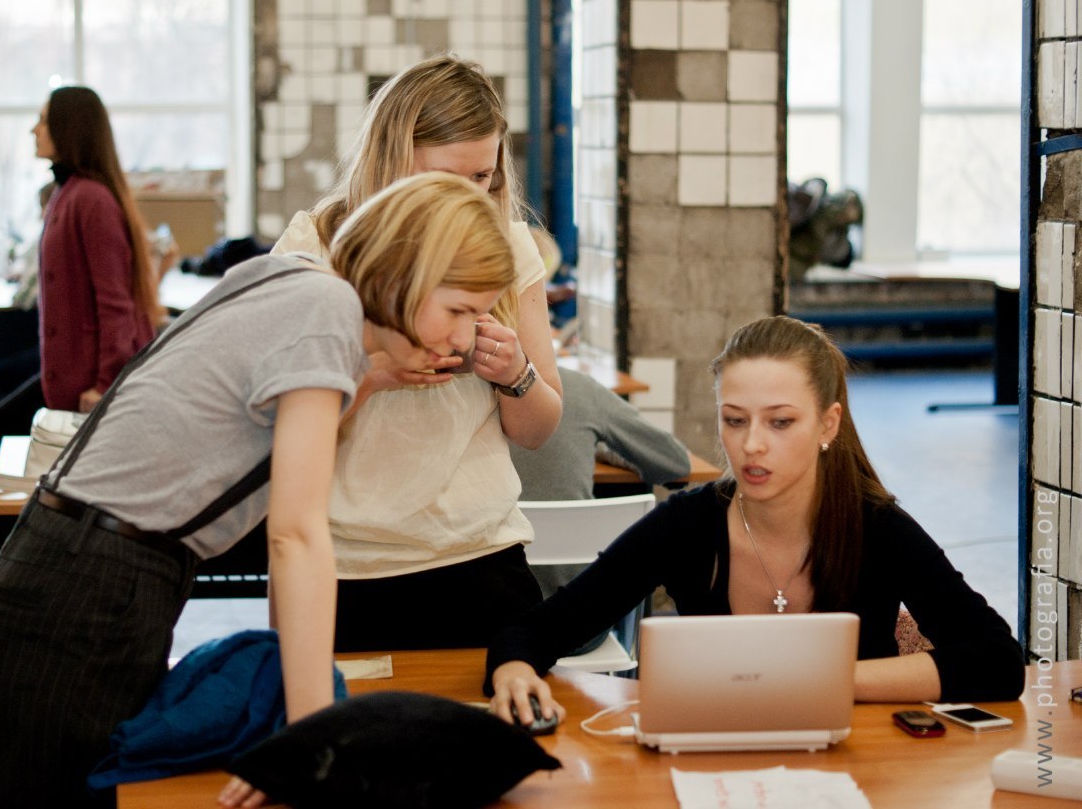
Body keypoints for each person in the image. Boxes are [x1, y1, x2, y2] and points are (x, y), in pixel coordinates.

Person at [0, 172, 517, 808]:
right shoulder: (327, 314)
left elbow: (274, 462)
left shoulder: (296, 278)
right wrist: (312, 747)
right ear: (410, 271)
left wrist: (372, 378)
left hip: (69, 568)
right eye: (460, 311)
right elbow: (298, 533)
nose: (466, 337)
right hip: (90, 587)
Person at [486, 316, 1025, 728]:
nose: (752, 445)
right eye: (734, 420)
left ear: (827, 423)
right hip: (716, 761)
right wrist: (513, 669)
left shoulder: (875, 526)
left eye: (781, 422)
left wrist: (825, 683)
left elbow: (999, 662)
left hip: (859, 764)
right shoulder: (688, 525)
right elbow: (535, 631)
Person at [271, 54, 564, 651]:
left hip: (481, 552)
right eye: (445, 178)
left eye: (483, 178)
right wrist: (376, 374)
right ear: (392, 159)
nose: (468, 199)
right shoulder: (316, 245)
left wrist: (515, 375)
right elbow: (278, 436)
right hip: (350, 562)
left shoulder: (505, 244)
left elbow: (539, 430)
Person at [0, 85, 162, 654]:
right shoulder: (68, 193)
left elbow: (115, 304)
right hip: (63, 381)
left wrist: (104, 386)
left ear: (69, 130)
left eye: (42, 121)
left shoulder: (90, 200)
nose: (33, 130)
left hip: (83, 389)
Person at [510, 366, 690, 501]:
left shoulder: (483, 398)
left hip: (495, 548)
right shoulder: (581, 388)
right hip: (581, 545)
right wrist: (603, 450)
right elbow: (676, 462)